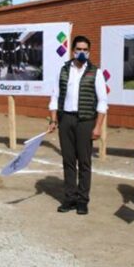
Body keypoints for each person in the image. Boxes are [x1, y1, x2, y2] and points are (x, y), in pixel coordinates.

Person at [47, 36, 108, 215]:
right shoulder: (63, 70)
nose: (82, 53)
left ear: (89, 51)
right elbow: (55, 96)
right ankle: (69, 198)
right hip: (66, 119)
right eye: (79, 49)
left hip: (85, 121)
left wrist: (97, 127)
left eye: (85, 50)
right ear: (73, 51)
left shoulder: (96, 72)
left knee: (84, 161)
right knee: (68, 160)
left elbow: (103, 102)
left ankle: (82, 200)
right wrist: (53, 119)